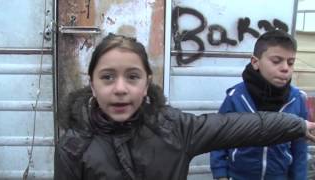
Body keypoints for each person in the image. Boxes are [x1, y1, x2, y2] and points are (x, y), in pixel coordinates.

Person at [54, 33, 315, 180]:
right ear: (92, 84)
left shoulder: (175, 129)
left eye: (133, 77)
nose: (120, 88)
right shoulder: (73, 146)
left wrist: (297, 125)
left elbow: (243, 126)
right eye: (107, 77)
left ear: (147, 84)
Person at [210, 30, 308, 180]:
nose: (285, 68)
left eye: (291, 62)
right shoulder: (236, 97)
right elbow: (218, 138)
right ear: (255, 62)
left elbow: (299, 149)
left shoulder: (297, 99)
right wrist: (220, 174)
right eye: (276, 61)